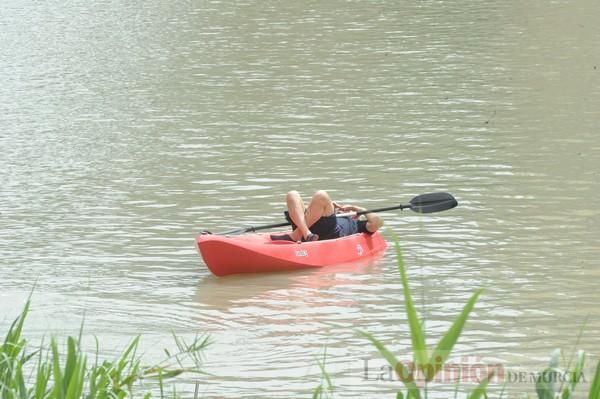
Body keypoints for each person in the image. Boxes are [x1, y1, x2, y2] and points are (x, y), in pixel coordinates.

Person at [270, 190, 384, 242]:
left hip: (330, 232)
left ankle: (297, 235)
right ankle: (305, 234)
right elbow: (300, 210)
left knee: (321, 195)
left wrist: (358, 209)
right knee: (292, 194)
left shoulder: (357, 224)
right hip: (308, 228)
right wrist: (328, 208)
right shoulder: (328, 213)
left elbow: (378, 222)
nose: (340, 210)